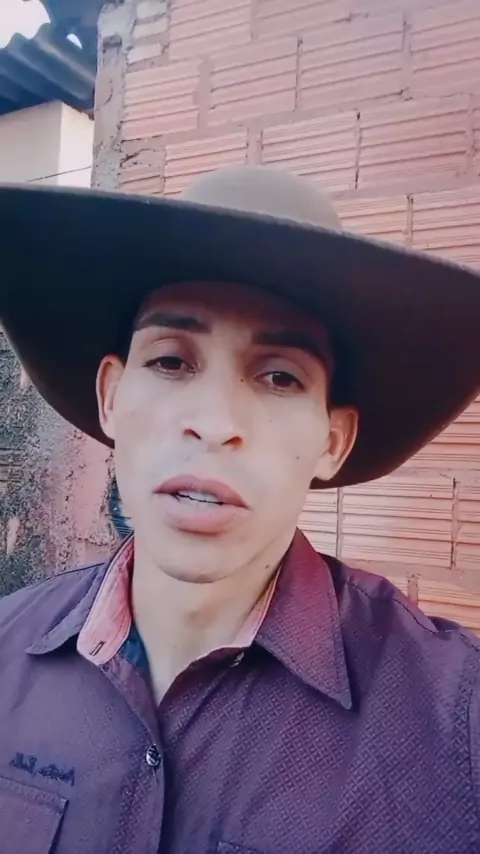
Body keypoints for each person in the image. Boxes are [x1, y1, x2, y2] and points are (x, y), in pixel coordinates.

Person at [0, 165, 479, 853]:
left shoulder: (456, 730)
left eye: (280, 376)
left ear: (332, 441)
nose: (215, 423)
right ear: (111, 397)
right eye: (170, 362)